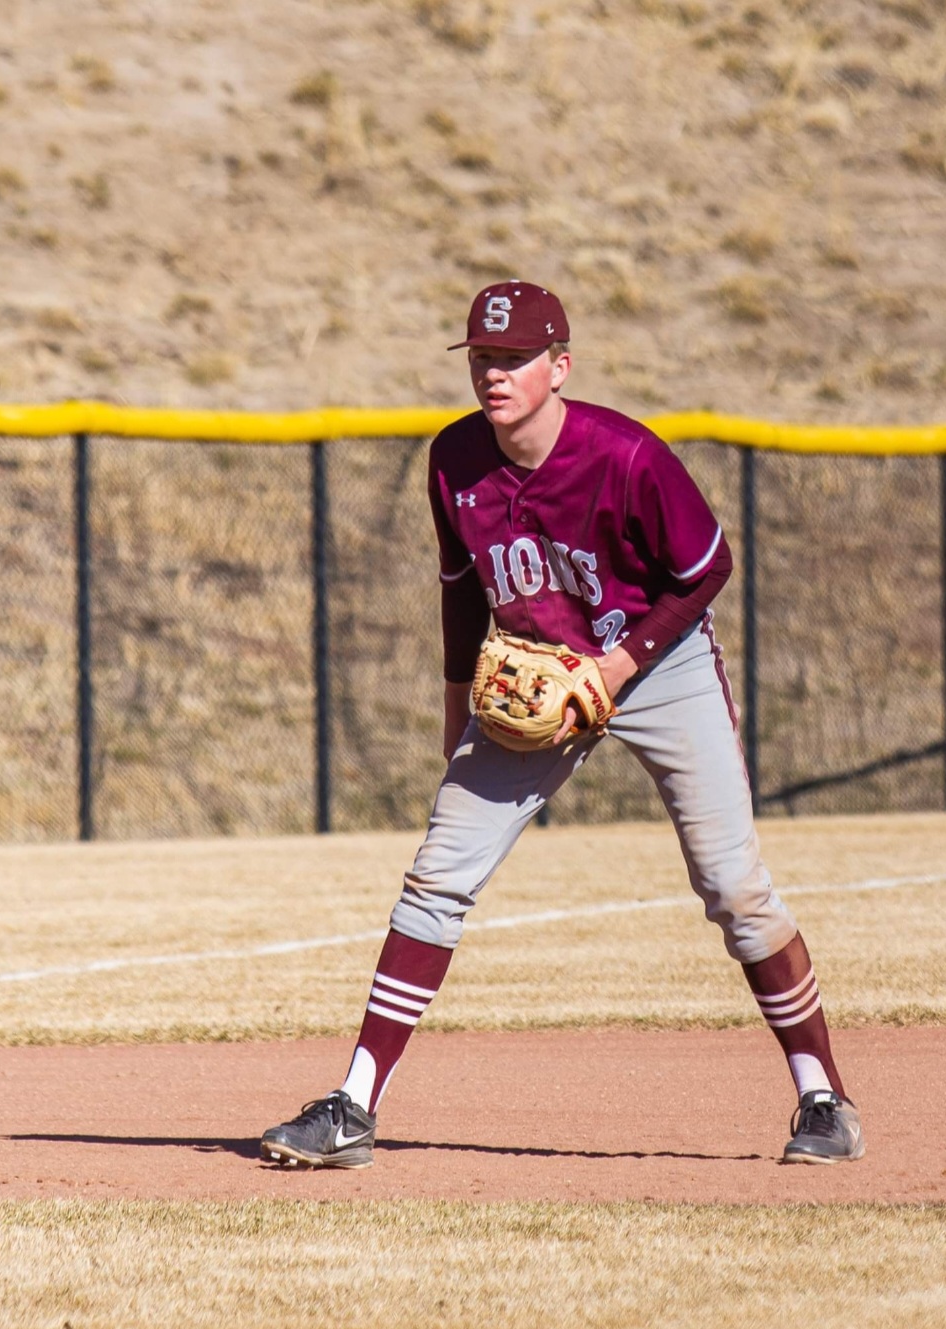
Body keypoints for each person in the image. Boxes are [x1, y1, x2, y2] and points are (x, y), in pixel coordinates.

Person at [260, 280, 864, 1169]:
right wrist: (453, 697)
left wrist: (620, 666)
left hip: (658, 667)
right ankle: (352, 1104)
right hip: (531, 673)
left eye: (512, 359)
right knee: (436, 876)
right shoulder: (453, 459)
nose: (494, 374)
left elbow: (708, 567)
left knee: (735, 888)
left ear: (560, 366)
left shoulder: (626, 456)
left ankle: (824, 1098)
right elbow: (462, 585)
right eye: (481, 358)